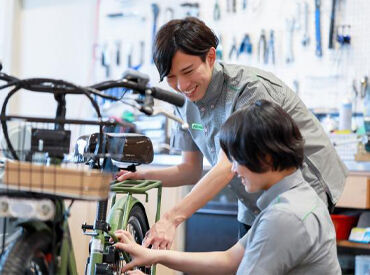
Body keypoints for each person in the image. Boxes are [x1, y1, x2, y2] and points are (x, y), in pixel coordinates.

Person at [117, 17, 347, 249]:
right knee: (242, 263)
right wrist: (143, 176)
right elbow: (189, 170)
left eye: (188, 71)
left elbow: (227, 167)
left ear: (210, 57)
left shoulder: (249, 90)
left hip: (302, 187)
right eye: (171, 77)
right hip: (252, 197)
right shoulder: (182, 100)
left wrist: (171, 218)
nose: (183, 85)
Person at [114, 100, 341, 275]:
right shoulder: (299, 196)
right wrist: (154, 256)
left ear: (265, 157)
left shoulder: (284, 218)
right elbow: (229, 259)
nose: (233, 169)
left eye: (237, 159)